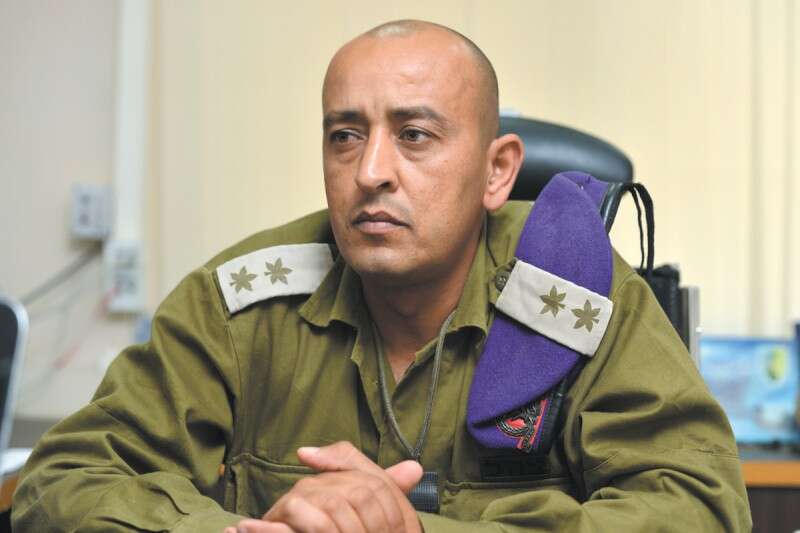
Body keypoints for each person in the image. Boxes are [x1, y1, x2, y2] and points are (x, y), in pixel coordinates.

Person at [13, 20, 751, 533]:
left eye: (414, 135)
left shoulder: (574, 289)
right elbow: (62, 481)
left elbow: (701, 509)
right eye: (345, 135)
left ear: (498, 172)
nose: (370, 171)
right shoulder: (242, 304)